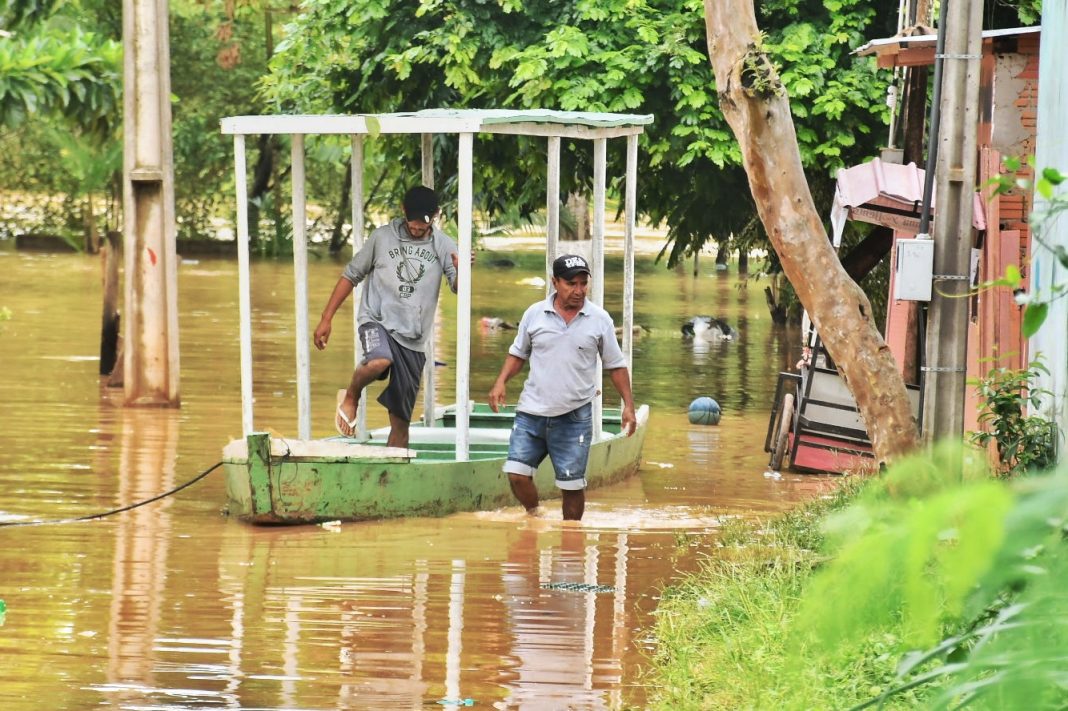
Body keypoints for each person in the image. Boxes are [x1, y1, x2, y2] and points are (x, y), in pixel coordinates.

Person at [488, 254, 637, 521]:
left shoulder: (599, 319)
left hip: (574, 416)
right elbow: (518, 354)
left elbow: (615, 366)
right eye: (571, 284)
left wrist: (628, 406)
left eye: (583, 283)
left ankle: (571, 540)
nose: (578, 290)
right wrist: (500, 382)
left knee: (571, 486)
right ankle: (535, 516)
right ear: (555, 282)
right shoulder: (534, 314)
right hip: (531, 412)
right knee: (516, 474)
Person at [314, 185, 459, 447]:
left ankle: (390, 478)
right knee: (380, 360)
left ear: (435, 215)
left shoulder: (444, 245)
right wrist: (326, 318)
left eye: (422, 225)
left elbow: (457, 286)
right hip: (376, 319)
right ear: (403, 211)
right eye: (412, 223)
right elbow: (351, 275)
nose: (416, 229)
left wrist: (463, 273)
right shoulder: (381, 238)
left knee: (401, 425)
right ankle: (351, 396)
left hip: (413, 338)